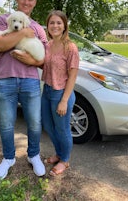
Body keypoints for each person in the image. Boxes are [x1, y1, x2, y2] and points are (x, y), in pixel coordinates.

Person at [0, 0, 47, 180]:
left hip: (30, 81)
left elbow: (44, 58)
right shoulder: (1, 20)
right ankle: (8, 158)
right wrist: (23, 33)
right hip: (5, 80)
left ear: (34, 2)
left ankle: (33, 155)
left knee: (34, 122)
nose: (26, 2)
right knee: (6, 124)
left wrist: (33, 61)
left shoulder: (39, 28)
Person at [41, 10, 79, 176]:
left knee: (62, 129)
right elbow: (43, 65)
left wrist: (64, 100)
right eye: (51, 23)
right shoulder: (47, 45)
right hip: (47, 91)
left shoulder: (70, 48)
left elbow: (72, 77)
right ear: (47, 26)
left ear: (64, 26)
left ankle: (64, 160)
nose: (55, 26)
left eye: (58, 23)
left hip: (61, 93)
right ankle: (58, 153)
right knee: (48, 126)